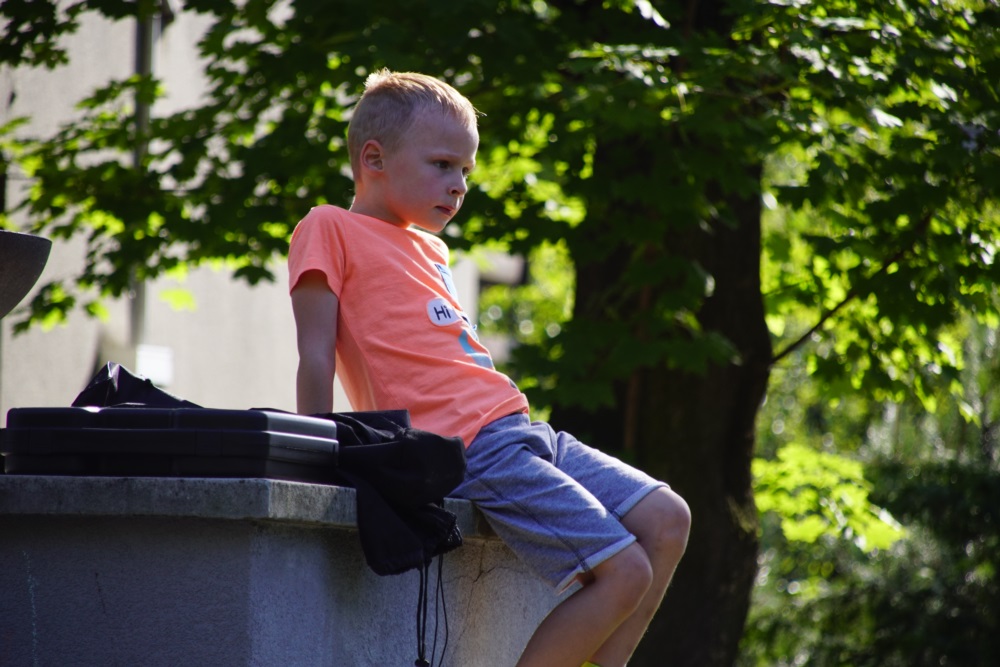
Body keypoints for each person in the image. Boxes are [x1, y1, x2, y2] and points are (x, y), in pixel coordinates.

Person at [288, 69, 691, 667]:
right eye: (442, 165)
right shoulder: (329, 227)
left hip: (518, 429)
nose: (458, 186)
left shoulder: (432, 247)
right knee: (625, 570)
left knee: (668, 518)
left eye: (466, 172)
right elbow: (316, 353)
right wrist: (317, 461)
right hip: (467, 446)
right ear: (373, 158)